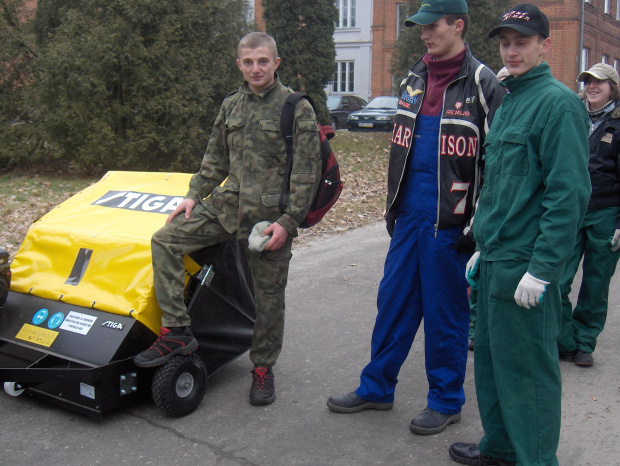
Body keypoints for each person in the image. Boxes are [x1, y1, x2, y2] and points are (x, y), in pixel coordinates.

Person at [327, 0, 504, 436]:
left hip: (451, 222)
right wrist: (393, 207)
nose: (425, 35)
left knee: (446, 312)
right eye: (421, 27)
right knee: (393, 303)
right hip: (408, 216)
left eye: (433, 26)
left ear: (458, 25)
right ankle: (377, 387)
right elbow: (401, 147)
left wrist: (477, 224)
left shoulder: (483, 82)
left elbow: (499, 161)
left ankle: (446, 401)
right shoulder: (414, 77)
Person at [133, 32, 322, 407]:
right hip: (225, 206)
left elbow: (307, 173)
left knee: (268, 299)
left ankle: (263, 369)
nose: (255, 68)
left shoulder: (295, 107)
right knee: (166, 240)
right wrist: (192, 195)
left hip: (267, 220)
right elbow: (214, 159)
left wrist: (288, 221)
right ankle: (177, 330)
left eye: (263, 61)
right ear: (239, 64)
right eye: (248, 62)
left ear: (276, 63)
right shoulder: (231, 105)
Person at [449, 4, 591, 465]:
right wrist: (482, 243)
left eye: (522, 42)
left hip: (526, 266)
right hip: (496, 260)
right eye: (505, 42)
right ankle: (501, 447)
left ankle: (535, 460)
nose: (511, 50)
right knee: (490, 365)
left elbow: (566, 197)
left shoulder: (558, 103)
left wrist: (543, 269)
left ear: (544, 45)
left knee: (528, 374)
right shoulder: (511, 99)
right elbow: (501, 184)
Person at [558, 63, 620, 367]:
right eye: (588, 82)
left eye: (599, 82)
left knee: (596, 283)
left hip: (606, 213)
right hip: (572, 210)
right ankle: (565, 339)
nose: (591, 87)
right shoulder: (574, 116)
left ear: (613, 87)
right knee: (557, 277)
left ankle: (583, 343)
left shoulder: (618, 124)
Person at [468, 66, 511, 352]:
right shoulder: (493, 120)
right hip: (485, 218)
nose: (505, 91)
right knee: (476, 281)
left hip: (514, 225)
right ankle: (475, 327)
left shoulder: (547, 109)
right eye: (502, 85)